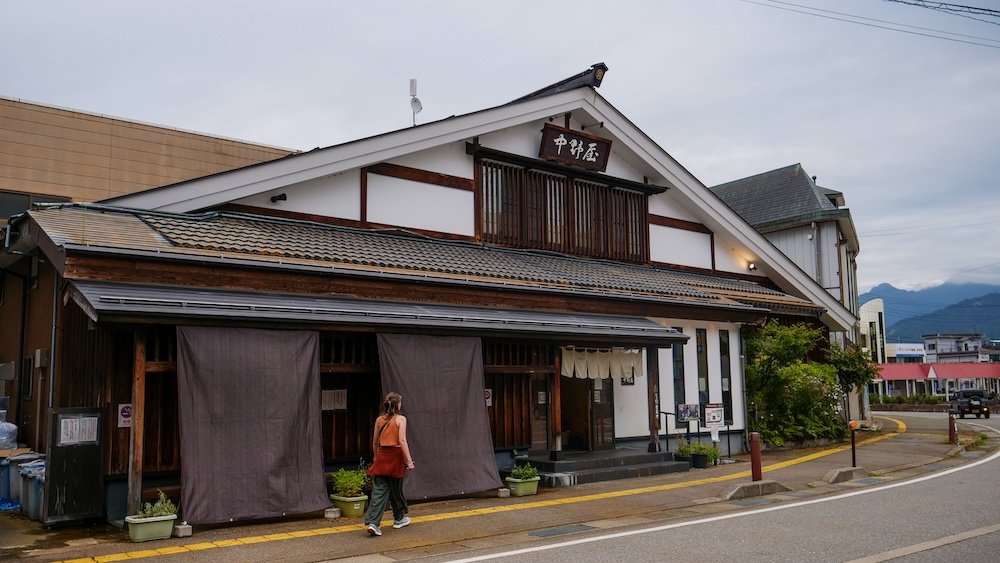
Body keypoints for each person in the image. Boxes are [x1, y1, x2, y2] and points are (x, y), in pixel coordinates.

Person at [364, 392, 415, 537]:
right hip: (396, 456)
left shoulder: (379, 419)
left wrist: (376, 456)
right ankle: (399, 519)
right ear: (398, 404)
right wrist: (409, 461)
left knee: (379, 490)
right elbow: (402, 441)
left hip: (382, 454)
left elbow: (375, 441)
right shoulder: (401, 419)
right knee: (396, 488)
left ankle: (374, 523)